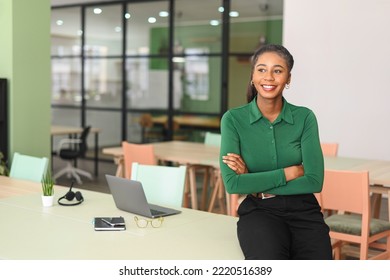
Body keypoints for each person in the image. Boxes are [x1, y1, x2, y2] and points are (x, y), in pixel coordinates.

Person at [219, 44, 332, 260]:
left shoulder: (305, 118)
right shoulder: (233, 120)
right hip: (259, 210)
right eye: (261, 69)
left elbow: (314, 181)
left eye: (277, 71)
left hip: (304, 210)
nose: (268, 77)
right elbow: (233, 184)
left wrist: (250, 178)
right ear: (252, 75)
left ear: (288, 78)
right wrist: (289, 173)